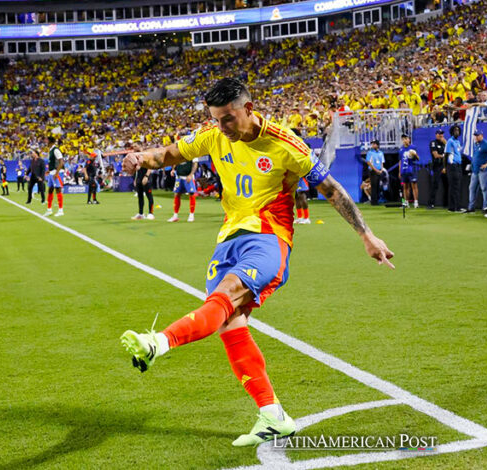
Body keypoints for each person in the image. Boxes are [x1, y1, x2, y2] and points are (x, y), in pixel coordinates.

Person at [118, 78, 394, 447]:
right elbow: (168, 155)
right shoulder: (213, 136)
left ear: (248, 109)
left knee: (227, 296)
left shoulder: (284, 143)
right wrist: (141, 156)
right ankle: (272, 415)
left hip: (269, 239)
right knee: (230, 323)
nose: (221, 127)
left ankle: (158, 343)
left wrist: (366, 235)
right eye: (216, 118)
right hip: (227, 240)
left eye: (228, 118)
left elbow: (330, 189)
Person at [462, 130, 487, 213]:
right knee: (472, 188)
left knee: (484, 189)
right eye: (475, 135)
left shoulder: (485, 144)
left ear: (482, 135)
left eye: (477, 135)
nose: (476, 137)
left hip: (483, 170)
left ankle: (486, 208)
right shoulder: (476, 144)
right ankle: (471, 208)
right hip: (475, 171)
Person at [131, 143, 155, 220]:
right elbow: (136, 170)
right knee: (140, 196)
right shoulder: (135, 156)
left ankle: (151, 213)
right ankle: (141, 214)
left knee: (149, 195)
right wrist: (135, 179)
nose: (133, 147)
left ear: (140, 146)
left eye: (135, 146)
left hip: (146, 178)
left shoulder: (146, 154)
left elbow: (150, 166)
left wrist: (147, 176)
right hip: (139, 178)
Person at [44, 136, 65, 217]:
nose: (46, 142)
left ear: (50, 141)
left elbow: (61, 162)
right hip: (52, 173)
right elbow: (54, 162)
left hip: (57, 173)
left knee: (58, 190)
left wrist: (56, 173)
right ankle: (49, 210)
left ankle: (61, 210)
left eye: (47, 140)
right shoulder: (51, 150)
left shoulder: (56, 150)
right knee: (50, 190)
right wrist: (50, 170)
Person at [444, 124, 463, 212]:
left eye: (458, 130)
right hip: (452, 166)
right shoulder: (450, 141)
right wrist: (445, 167)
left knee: (458, 186)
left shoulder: (458, 142)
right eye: (455, 130)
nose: (457, 132)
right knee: (453, 186)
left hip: (458, 165)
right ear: (452, 132)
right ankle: (454, 207)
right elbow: (446, 155)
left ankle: (455, 207)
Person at [398, 134, 419, 208]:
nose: (404, 140)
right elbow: (400, 161)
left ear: (409, 139)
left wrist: (415, 154)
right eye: (403, 139)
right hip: (404, 171)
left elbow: (418, 158)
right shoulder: (401, 149)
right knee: (405, 187)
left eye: (406, 138)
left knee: (414, 186)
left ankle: (416, 202)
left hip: (412, 170)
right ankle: (405, 203)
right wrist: (399, 171)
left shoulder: (413, 147)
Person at [428, 129, 447, 209]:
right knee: (435, 185)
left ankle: (446, 203)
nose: (441, 135)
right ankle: (431, 204)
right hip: (437, 166)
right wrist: (444, 155)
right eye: (439, 134)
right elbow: (436, 155)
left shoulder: (445, 143)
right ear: (436, 135)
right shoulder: (433, 143)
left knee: (446, 185)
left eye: (442, 134)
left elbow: (449, 152)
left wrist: (446, 143)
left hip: (445, 166)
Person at [365, 140, 385, 205]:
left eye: (374, 144)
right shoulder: (370, 152)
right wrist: (375, 170)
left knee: (378, 186)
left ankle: (377, 200)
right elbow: (368, 162)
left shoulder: (380, 153)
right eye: (372, 144)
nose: (373, 145)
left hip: (379, 170)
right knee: (373, 186)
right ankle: (374, 202)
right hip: (373, 171)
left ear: (377, 145)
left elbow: (382, 162)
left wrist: (381, 169)